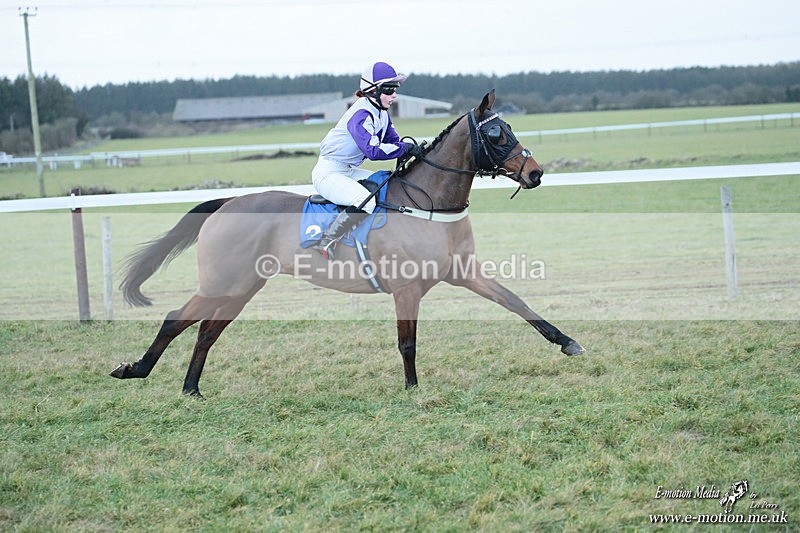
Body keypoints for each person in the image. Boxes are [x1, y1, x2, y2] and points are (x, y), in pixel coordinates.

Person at [311, 61, 423, 259]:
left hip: (348, 170)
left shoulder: (381, 113)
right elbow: (372, 151)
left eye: (395, 89)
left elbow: (394, 143)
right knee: (365, 201)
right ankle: (326, 240)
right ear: (372, 91)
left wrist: (413, 151)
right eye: (389, 89)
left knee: (389, 188)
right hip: (328, 173)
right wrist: (405, 148)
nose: (394, 94)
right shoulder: (361, 114)